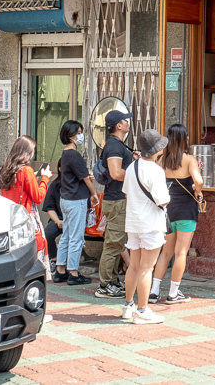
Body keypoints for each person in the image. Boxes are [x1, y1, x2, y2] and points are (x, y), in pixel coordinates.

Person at [121, 129, 171, 324]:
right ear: (158, 150)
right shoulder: (156, 171)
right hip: (151, 223)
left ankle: (128, 305)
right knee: (146, 268)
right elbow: (163, 200)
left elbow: (127, 193)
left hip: (133, 222)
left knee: (134, 266)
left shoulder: (132, 167)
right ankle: (142, 310)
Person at [151, 123, 204, 304]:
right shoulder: (189, 159)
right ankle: (173, 293)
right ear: (184, 139)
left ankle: (153, 291)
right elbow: (199, 180)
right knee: (181, 253)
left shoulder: (161, 160)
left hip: (167, 211)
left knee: (165, 253)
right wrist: (198, 191)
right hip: (186, 211)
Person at [53, 120, 99, 286]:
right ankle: (73, 272)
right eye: (79, 132)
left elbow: (79, 175)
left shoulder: (65, 154)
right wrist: (94, 193)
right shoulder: (74, 154)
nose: (81, 135)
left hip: (65, 199)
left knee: (66, 236)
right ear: (71, 135)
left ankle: (60, 270)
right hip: (76, 200)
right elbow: (85, 177)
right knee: (76, 238)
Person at [95, 109, 134, 299]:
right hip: (117, 200)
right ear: (119, 125)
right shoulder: (114, 147)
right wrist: (137, 172)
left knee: (117, 243)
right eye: (126, 120)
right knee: (113, 244)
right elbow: (116, 173)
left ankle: (111, 281)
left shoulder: (118, 145)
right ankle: (104, 285)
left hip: (118, 199)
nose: (128, 122)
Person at [0, 135, 51, 261]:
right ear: (27, 153)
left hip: (10, 218)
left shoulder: (5, 168)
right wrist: (45, 178)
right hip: (25, 216)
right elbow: (38, 197)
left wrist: (34, 178)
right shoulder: (26, 170)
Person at [41, 168, 63, 276]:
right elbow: (50, 207)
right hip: (58, 217)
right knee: (47, 234)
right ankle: (53, 259)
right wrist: (57, 221)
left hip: (75, 218)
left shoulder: (79, 183)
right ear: (59, 169)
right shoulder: (55, 185)